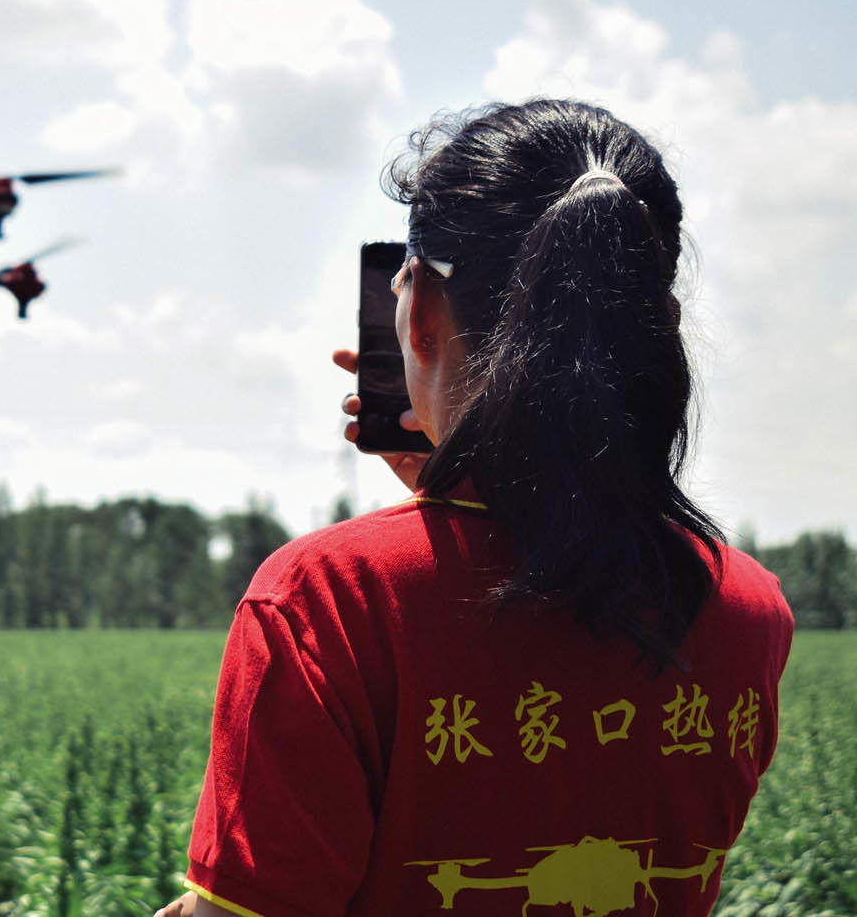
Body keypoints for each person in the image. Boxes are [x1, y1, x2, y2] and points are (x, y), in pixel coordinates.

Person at [154, 99, 793, 917]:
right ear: (660, 328)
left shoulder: (327, 603)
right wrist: (455, 496)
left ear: (419, 313)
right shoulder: (750, 610)